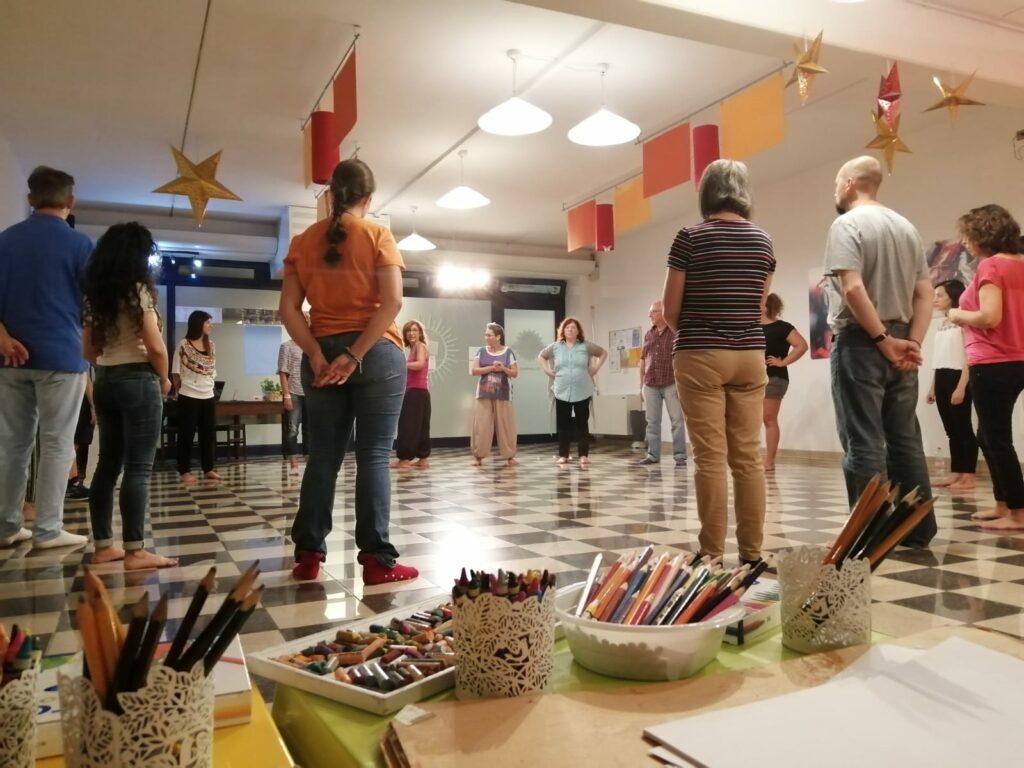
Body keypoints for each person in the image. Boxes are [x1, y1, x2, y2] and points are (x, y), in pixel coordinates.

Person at [280, 158, 418, 585]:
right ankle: (377, 561)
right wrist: (356, 354)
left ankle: (307, 556)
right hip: (376, 354)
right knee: (374, 456)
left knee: (323, 457)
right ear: (368, 198)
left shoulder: (303, 241)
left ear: (331, 195)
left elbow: (288, 309)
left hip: (321, 350)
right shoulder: (378, 234)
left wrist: (319, 356)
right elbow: (392, 304)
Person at [663, 158, 773, 566]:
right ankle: (753, 553)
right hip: (750, 355)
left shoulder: (690, 237)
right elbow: (758, 307)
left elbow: (671, 308)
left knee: (709, 456)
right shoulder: (763, 240)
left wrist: (697, 335)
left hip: (700, 354)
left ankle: (711, 553)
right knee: (747, 457)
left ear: (706, 192)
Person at [825, 155, 936, 547]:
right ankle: (918, 531)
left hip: (862, 342)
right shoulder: (907, 228)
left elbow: (852, 288)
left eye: (837, 182)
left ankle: (867, 538)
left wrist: (880, 339)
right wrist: (913, 342)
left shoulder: (847, 224)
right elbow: (926, 294)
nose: (836, 190)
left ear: (851, 182)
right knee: (906, 438)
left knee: (864, 441)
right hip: (905, 341)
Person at [0, 166, 91, 549]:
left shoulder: (5, 241)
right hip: (63, 355)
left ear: (29, 199)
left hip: (10, 357)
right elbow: (91, 306)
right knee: (57, 444)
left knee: (12, 443)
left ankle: (6, 526)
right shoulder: (81, 245)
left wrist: (2, 336)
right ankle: (48, 529)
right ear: (70, 203)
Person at [82, 222, 177, 569]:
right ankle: (136, 551)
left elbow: (87, 351)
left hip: (105, 379)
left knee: (107, 465)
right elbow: (154, 346)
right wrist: (164, 379)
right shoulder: (138, 291)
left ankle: (104, 546)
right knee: (138, 467)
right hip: (138, 380)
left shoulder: (96, 295)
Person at [948, 204, 1024, 530]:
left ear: (983, 234)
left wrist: (956, 314)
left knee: (996, 438)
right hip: (1016, 359)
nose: (964, 241)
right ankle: (1002, 502)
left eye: (967, 235)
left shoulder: (991, 266)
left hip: (993, 361)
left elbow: (990, 317)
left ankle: (1018, 513)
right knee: (987, 435)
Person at [926, 279, 977, 491]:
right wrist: (932, 387)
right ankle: (957, 473)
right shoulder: (942, 322)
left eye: (940, 295)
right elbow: (940, 357)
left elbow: (969, 356)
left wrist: (962, 386)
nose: (935, 299)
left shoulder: (963, 321)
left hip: (959, 377)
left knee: (963, 428)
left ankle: (969, 476)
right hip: (942, 376)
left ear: (953, 297)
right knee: (951, 430)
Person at [539, 318, 607, 466]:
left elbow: (603, 353)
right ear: (562, 330)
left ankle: (583, 455)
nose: (570, 330)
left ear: (578, 331)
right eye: (567, 327)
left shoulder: (585, 345)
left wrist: (595, 368)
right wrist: (547, 371)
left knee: (582, 423)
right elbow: (541, 356)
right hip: (561, 389)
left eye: (573, 327)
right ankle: (563, 454)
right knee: (563, 424)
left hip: (582, 389)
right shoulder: (556, 347)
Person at [172, 310, 221, 486]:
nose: (211, 325)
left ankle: (208, 468)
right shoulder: (183, 345)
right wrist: (179, 392)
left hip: (208, 395)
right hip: (188, 395)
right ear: (199, 323)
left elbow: (212, 372)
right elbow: (176, 373)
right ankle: (184, 470)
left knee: (208, 434)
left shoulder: (212, 345)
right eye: (208, 322)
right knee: (186, 434)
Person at [636, 301, 688, 467]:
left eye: (653, 312)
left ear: (663, 312)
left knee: (677, 421)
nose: (649, 315)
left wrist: (682, 383)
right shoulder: (648, 334)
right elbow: (643, 359)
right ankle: (652, 455)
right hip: (650, 383)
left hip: (671, 382)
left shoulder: (675, 332)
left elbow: (681, 359)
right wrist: (641, 384)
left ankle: (680, 456)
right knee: (652, 421)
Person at [761, 293, 809, 472]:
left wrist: (783, 362)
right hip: (753, 379)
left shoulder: (782, 327)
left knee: (769, 419)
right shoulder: (752, 327)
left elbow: (802, 345)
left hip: (774, 377)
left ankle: (770, 462)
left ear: (766, 307)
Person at [471, 323, 518, 467]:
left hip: (503, 394)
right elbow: (474, 370)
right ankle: (478, 456)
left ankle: (509, 456)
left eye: (489, 335)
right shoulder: (481, 351)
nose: (486, 337)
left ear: (498, 337)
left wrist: (503, 368)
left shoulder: (508, 352)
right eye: (486, 335)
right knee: (481, 425)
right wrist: (491, 368)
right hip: (484, 394)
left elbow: (515, 373)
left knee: (505, 425)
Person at [392, 320, 432, 469]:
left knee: (408, 425)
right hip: (420, 392)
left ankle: (404, 459)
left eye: (415, 330)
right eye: (408, 330)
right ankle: (423, 458)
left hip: (415, 391)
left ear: (420, 333)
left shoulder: (420, 346)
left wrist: (400, 364)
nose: (411, 333)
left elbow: (420, 364)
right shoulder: (414, 348)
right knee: (421, 425)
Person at [278, 331, 307, 474]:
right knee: (292, 430)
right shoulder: (286, 346)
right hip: (294, 392)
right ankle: (294, 464)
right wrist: (286, 395)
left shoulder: (311, 346)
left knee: (311, 430)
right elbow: (283, 372)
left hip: (311, 392)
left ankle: (310, 461)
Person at [66, 376, 96, 500]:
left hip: (69, 389)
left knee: (71, 440)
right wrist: (93, 404)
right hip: (73, 390)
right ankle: (70, 481)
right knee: (72, 440)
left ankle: (71, 480)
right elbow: (84, 374)